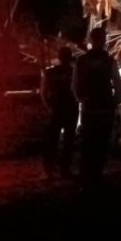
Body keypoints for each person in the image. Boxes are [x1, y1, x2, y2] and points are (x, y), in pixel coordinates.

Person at [72, 27, 121, 189]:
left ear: (91, 40)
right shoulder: (109, 61)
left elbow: (75, 85)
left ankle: (87, 175)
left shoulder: (82, 61)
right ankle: (97, 174)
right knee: (101, 142)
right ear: (104, 40)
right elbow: (117, 83)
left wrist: (81, 99)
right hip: (105, 106)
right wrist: (116, 101)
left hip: (89, 107)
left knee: (88, 141)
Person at [41, 47, 79, 179]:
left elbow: (44, 92)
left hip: (56, 109)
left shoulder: (50, 72)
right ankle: (65, 169)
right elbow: (79, 90)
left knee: (52, 140)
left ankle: (49, 169)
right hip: (71, 109)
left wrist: (48, 106)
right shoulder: (74, 72)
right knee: (68, 140)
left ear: (59, 57)